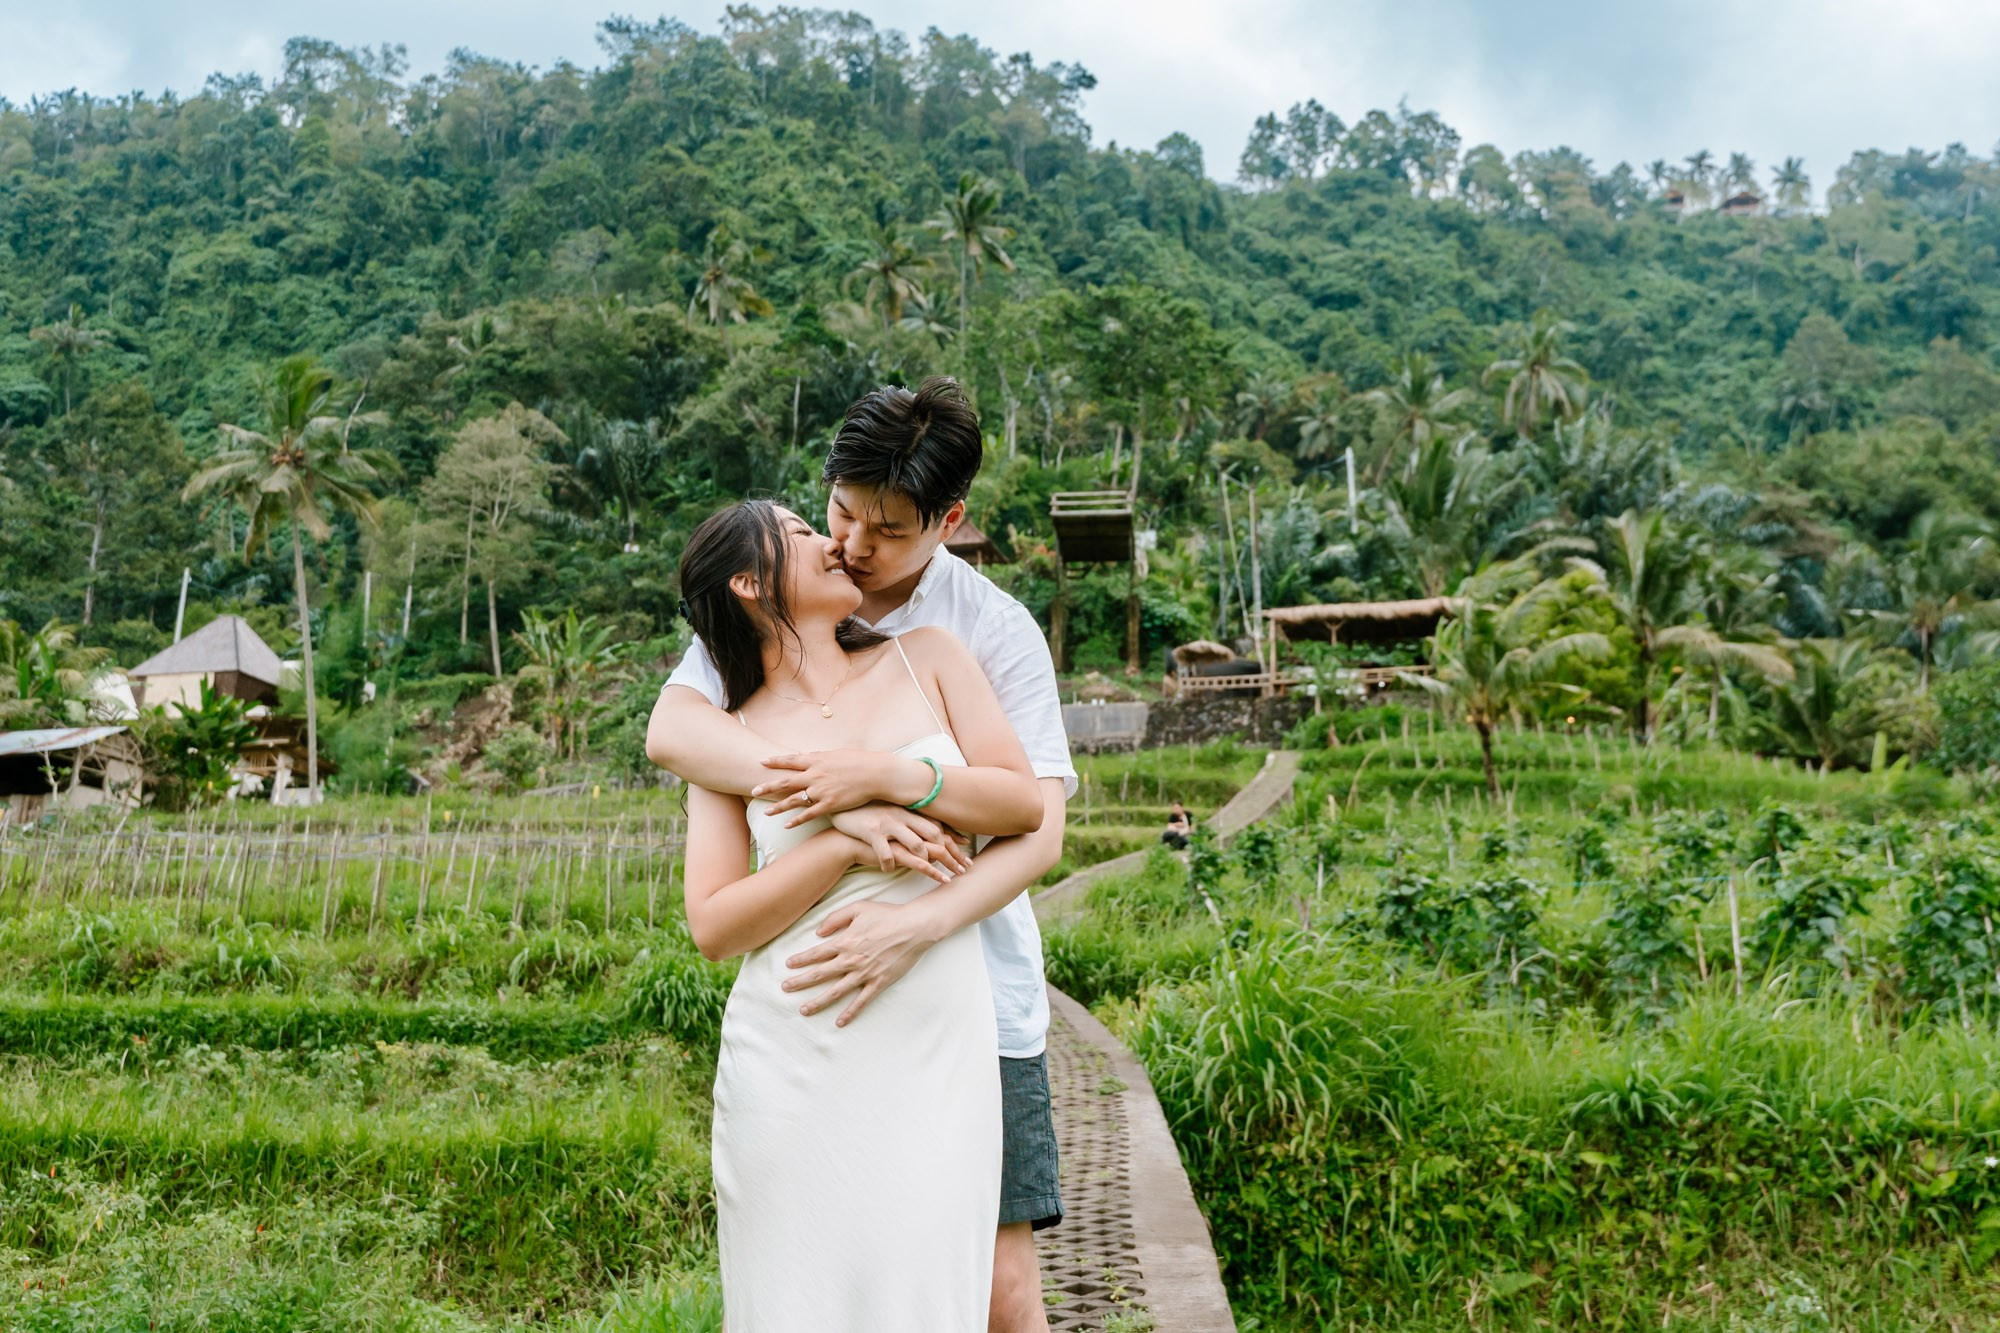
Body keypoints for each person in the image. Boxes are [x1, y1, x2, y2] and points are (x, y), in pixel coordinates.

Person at [648, 377, 1074, 1333]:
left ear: (946, 520)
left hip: (973, 993)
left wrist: (888, 798)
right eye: (837, 513)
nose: (850, 544)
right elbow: (675, 736)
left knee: (996, 1293)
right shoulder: (744, 649)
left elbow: (1035, 825)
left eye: (884, 529)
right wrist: (840, 817)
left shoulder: (978, 634)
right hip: (805, 1030)